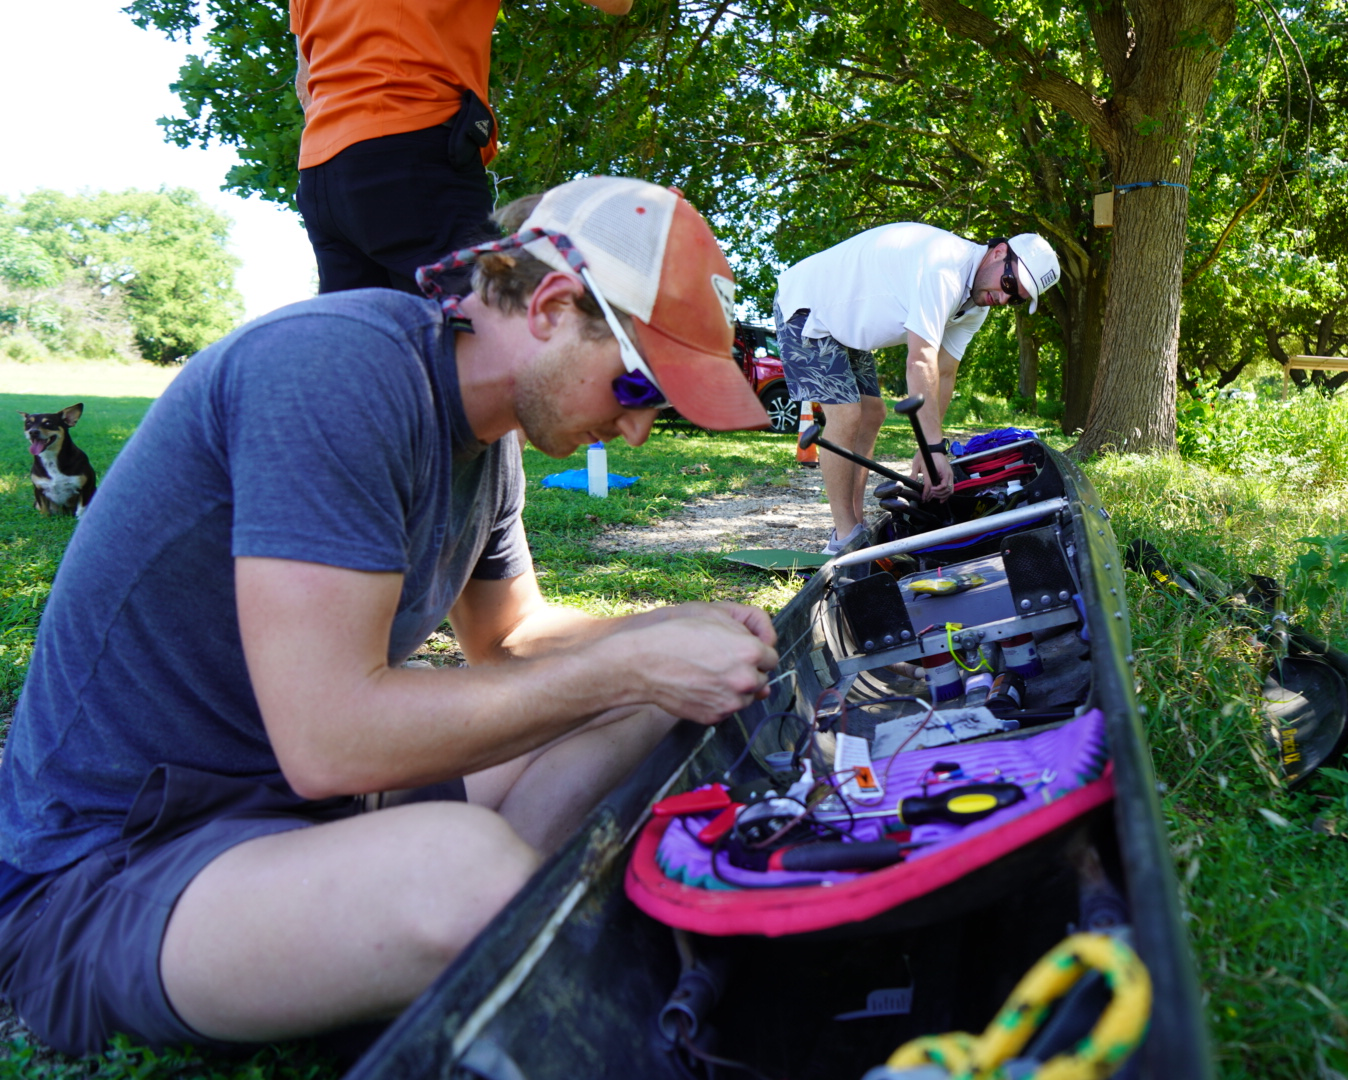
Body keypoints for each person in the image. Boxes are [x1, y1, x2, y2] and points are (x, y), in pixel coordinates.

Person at [0, 176, 774, 1056]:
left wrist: (666, 630)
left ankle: (472, 942)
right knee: (467, 876)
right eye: (638, 389)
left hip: (302, 814)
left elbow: (511, 636)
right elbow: (330, 739)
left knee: (645, 704)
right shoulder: (338, 370)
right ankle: (472, 921)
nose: (636, 431)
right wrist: (627, 663)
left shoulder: (489, 441)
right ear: (555, 307)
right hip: (113, 865)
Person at [291, 0, 632, 295]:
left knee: (370, 353)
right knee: (485, 332)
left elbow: (305, 83)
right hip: (415, 151)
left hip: (322, 170)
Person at [773, 225, 1060, 554]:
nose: (1005, 297)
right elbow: (920, 361)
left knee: (872, 413)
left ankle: (854, 524)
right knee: (847, 415)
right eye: (1009, 283)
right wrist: (935, 449)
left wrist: (926, 449)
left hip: (844, 324)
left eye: (1016, 299)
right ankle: (843, 538)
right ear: (998, 253)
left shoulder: (977, 305)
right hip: (807, 305)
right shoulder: (945, 268)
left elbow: (946, 370)